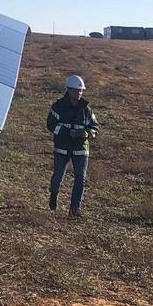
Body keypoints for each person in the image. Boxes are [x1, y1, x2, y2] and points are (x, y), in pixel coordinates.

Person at [47, 74, 99, 217]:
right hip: (62, 147)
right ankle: (53, 194)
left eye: (81, 90)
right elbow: (51, 124)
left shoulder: (86, 109)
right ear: (69, 90)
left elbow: (95, 126)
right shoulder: (58, 106)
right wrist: (66, 133)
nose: (79, 93)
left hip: (81, 149)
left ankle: (74, 209)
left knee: (80, 178)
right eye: (77, 90)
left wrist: (87, 134)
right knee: (58, 176)